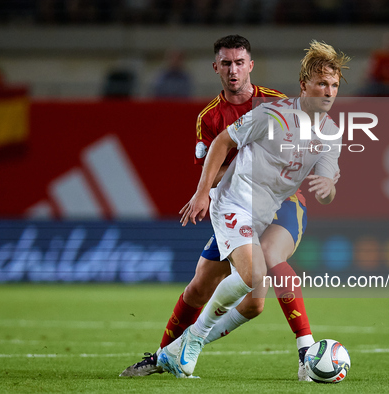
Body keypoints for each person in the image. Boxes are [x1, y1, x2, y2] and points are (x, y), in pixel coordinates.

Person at [121, 35, 330, 380]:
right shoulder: (210, 117)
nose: (233, 70)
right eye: (226, 64)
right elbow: (212, 170)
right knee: (206, 288)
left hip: (279, 203)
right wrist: (208, 188)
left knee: (268, 262)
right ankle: (163, 355)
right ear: (216, 68)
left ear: (251, 66)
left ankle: (306, 352)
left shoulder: (276, 103)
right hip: (235, 207)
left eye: (239, 63)